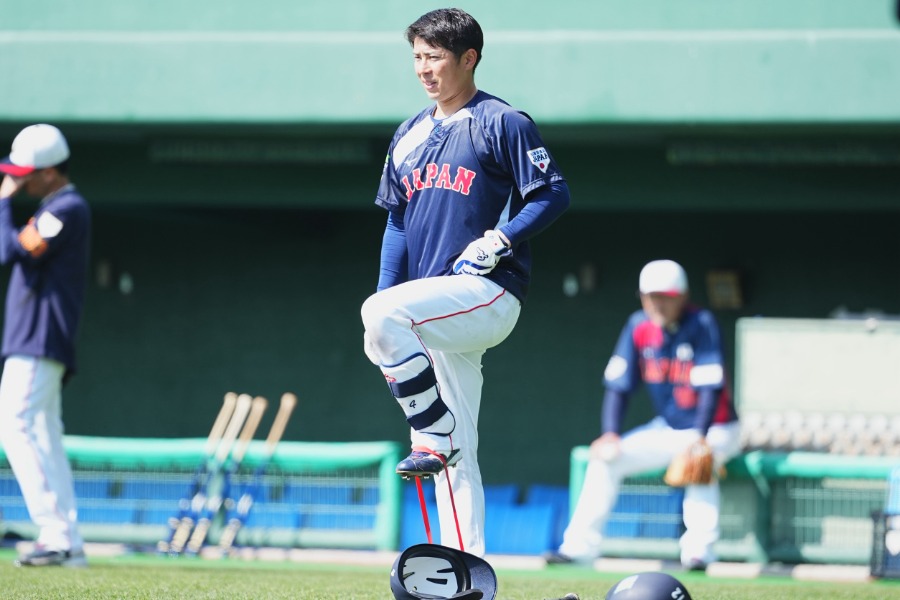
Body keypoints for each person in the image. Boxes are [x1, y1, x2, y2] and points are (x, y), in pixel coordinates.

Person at [360, 8, 570, 557]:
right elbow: (397, 222)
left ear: (469, 58)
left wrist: (502, 237)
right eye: (417, 57)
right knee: (457, 455)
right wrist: (385, 293)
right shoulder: (408, 133)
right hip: (434, 307)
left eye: (434, 57)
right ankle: (466, 573)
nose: (423, 68)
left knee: (386, 325)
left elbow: (553, 192)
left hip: (488, 291)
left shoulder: (502, 121)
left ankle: (433, 434)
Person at [545, 260, 741, 571]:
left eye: (666, 297)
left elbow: (710, 388)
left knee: (699, 462)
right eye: (652, 296)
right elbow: (618, 386)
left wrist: (699, 437)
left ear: (682, 296)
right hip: (668, 428)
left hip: (716, 427)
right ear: (642, 297)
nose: (658, 304)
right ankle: (578, 548)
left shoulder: (701, 323)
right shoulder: (638, 325)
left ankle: (699, 552)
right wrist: (610, 433)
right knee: (605, 460)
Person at [0, 124, 91, 567]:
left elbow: (8, 250)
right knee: (42, 434)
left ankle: (55, 535)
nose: (17, 181)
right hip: (37, 339)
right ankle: (67, 541)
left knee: (14, 425)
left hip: (39, 338)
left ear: (50, 172)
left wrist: (2, 203)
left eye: (25, 174)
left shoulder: (66, 207)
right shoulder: (56, 208)